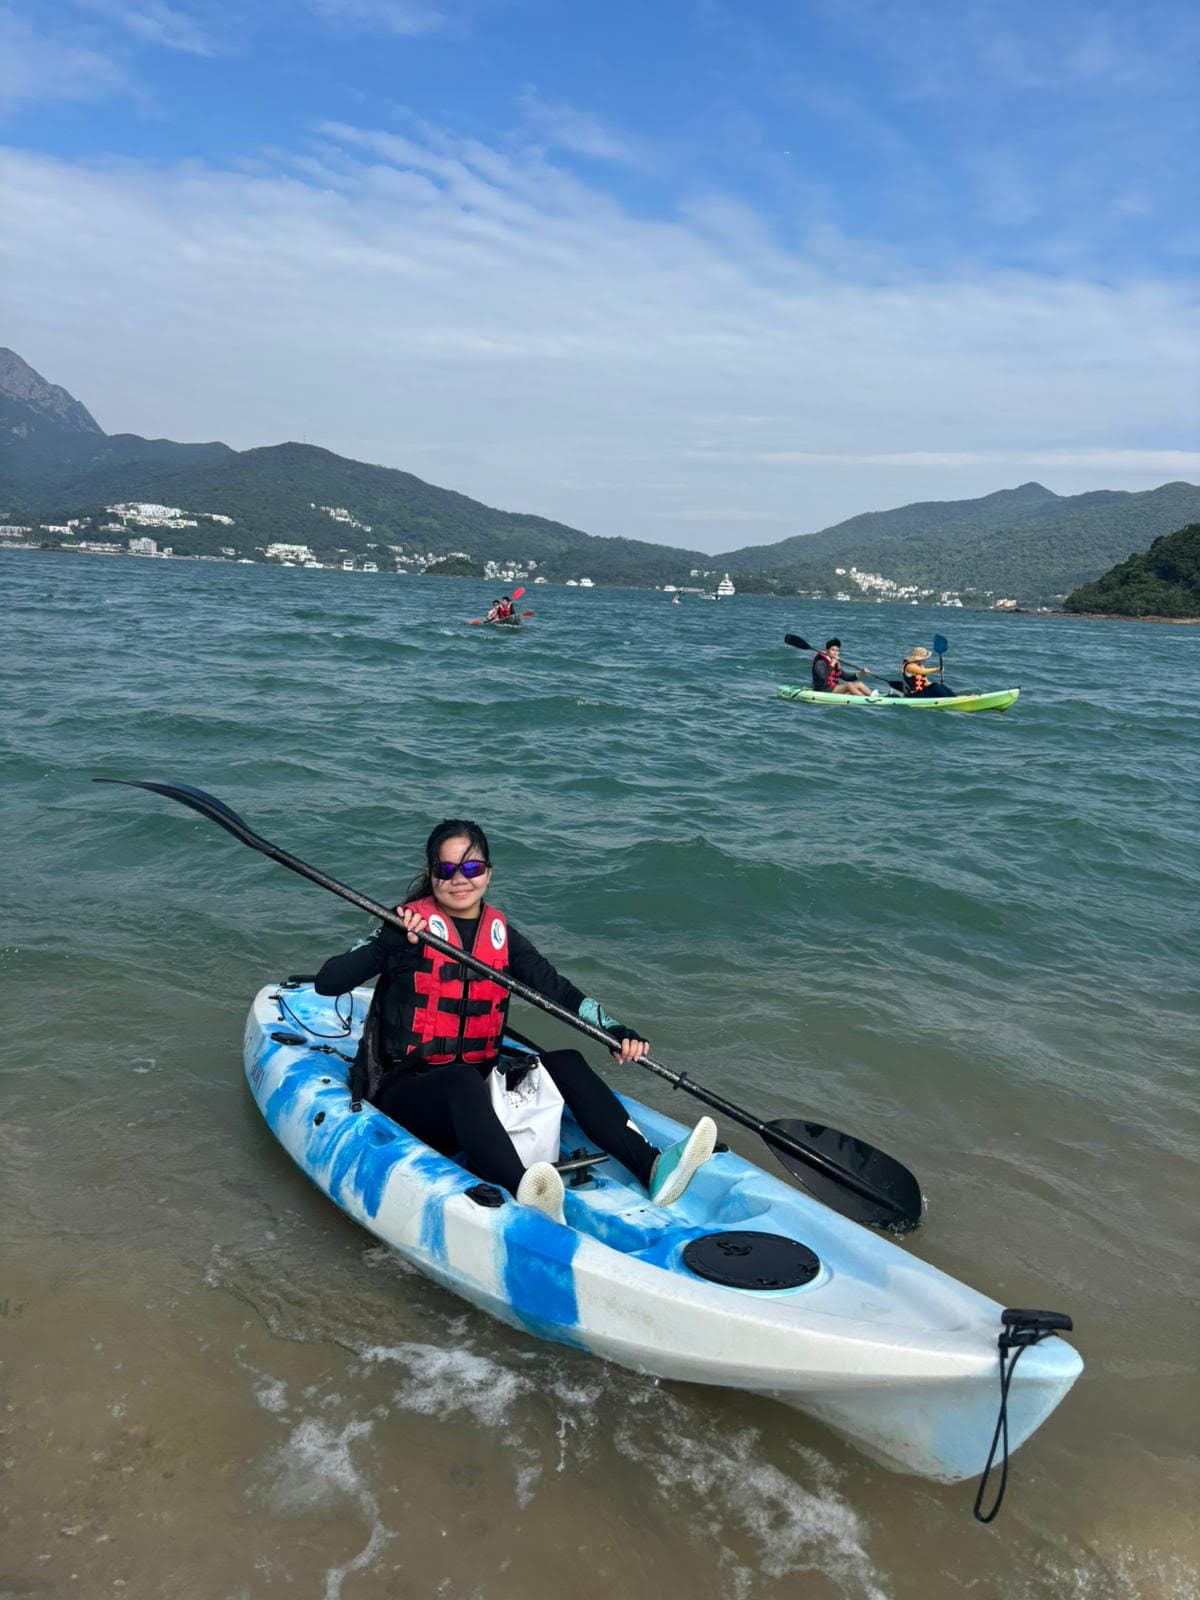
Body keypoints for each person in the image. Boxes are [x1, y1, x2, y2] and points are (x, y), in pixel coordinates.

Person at [314, 819, 716, 1222]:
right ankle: (524, 1189)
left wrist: (613, 1030)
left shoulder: (502, 936)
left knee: (566, 1061)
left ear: (488, 873)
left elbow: (558, 990)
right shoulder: (406, 927)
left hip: (481, 1097)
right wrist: (387, 944)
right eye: (447, 869)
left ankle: (650, 1166)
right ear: (432, 874)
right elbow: (328, 982)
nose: (460, 879)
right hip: (408, 1096)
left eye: (471, 868)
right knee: (459, 1079)